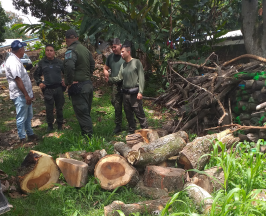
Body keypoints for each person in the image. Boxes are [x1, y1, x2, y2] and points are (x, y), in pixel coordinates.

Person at [108, 45, 148, 134]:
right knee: (128, 114)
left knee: (139, 113)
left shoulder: (136, 62)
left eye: (123, 52)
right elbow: (119, 78)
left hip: (134, 93)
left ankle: (146, 131)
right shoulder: (123, 65)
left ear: (128, 52)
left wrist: (140, 92)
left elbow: (141, 77)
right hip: (125, 93)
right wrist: (109, 79)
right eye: (121, 52)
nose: (121, 54)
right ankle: (132, 132)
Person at [63, 29, 95, 138]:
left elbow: (69, 66)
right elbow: (92, 64)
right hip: (88, 85)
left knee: (83, 114)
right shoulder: (85, 50)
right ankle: (87, 135)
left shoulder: (71, 51)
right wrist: (87, 76)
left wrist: (69, 82)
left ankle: (89, 139)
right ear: (76, 38)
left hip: (78, 87)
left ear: (67, 40)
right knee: (86, 112)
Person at [5, 40, 38, 144]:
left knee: (28, 115)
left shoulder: (17, 59)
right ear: (20, 49)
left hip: (24, 93)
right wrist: (26, 95)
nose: (24, 51)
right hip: (20, 94)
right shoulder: (12, 62)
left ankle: (30, 133)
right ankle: (22, 138)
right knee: (21, 117)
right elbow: (18, 79)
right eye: (23, 49)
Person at [34, 44, 66, 132]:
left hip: (58, 88)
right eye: (47, 50)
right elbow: (36, 74)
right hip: (48, 89)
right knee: (49, 108)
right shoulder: (42, 63)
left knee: (59, 108)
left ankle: (60, 124)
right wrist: (39, 82)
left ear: (54, 52)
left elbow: (66, 72)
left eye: (51, 50)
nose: (49, 52)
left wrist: (65, 81)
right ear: (45, 51)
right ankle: (50, 125)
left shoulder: (59, 62)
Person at [103, 38, 125, 134]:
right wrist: (105, 72)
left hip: (126, 84)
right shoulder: (110, 57)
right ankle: (118, 125)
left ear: (120, 46)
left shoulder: (124, 56)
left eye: (115, 47)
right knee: (116, 105)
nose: (113, 49)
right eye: (112, 47)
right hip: (115, 85)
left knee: (128, 105)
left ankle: (132, 123)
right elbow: (105, 67)